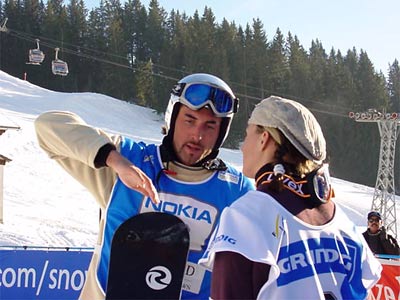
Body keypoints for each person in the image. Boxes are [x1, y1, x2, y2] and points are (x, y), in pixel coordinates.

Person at [34, 73, 254, 300]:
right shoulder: (129, 160)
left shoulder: (236, 191)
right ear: (172, 118)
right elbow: (47, 126)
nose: (197, 135)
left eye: (210, 126)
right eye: (189, 120)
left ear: (221, 132)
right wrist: (116, 161)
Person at [199, 96, 382, 299]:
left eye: (246, 135)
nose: (242, 147)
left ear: (264, 138)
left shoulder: (246, 216)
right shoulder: (343, 224)